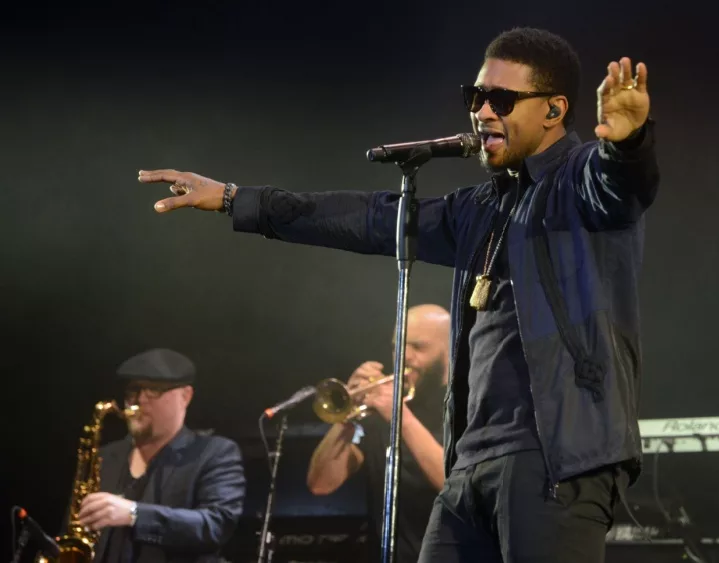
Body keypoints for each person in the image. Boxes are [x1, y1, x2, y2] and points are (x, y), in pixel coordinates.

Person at [139, 26, 658, 563]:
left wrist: (626, 145)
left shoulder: (580, 184)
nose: (481, 112)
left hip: (555, 460)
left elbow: (620, 187)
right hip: (470, 464)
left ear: (554, 110)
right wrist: (234, 199)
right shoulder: (478, 210)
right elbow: (368, 219)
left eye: (501, 100)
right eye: (475, 97)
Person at [307, 304, 449, 563]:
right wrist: (346, 415)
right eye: (398, 346)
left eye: (418, 347)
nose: (404, 356)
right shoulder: (380, 413)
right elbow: (321, 485)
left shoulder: (467, 407)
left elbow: (456, 487)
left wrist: (401, 417)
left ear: (449, 350)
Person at [76, 348, 246, 563]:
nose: (138, 400)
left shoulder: (214, 453)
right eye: (133, 390)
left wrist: (134, 514)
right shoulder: (105, 457)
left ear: (185, 396)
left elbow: (215, 526)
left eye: (154, 390)